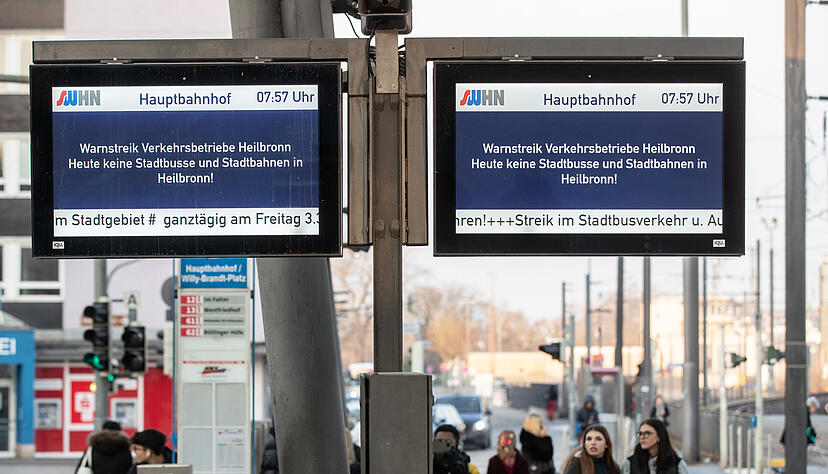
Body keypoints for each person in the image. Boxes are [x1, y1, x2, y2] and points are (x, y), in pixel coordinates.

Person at [621, 419, 688, 474]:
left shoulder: (677, 465)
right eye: (640, 433)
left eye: (647, 433)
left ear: (659, 436)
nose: (642, 437)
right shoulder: (629, 464)